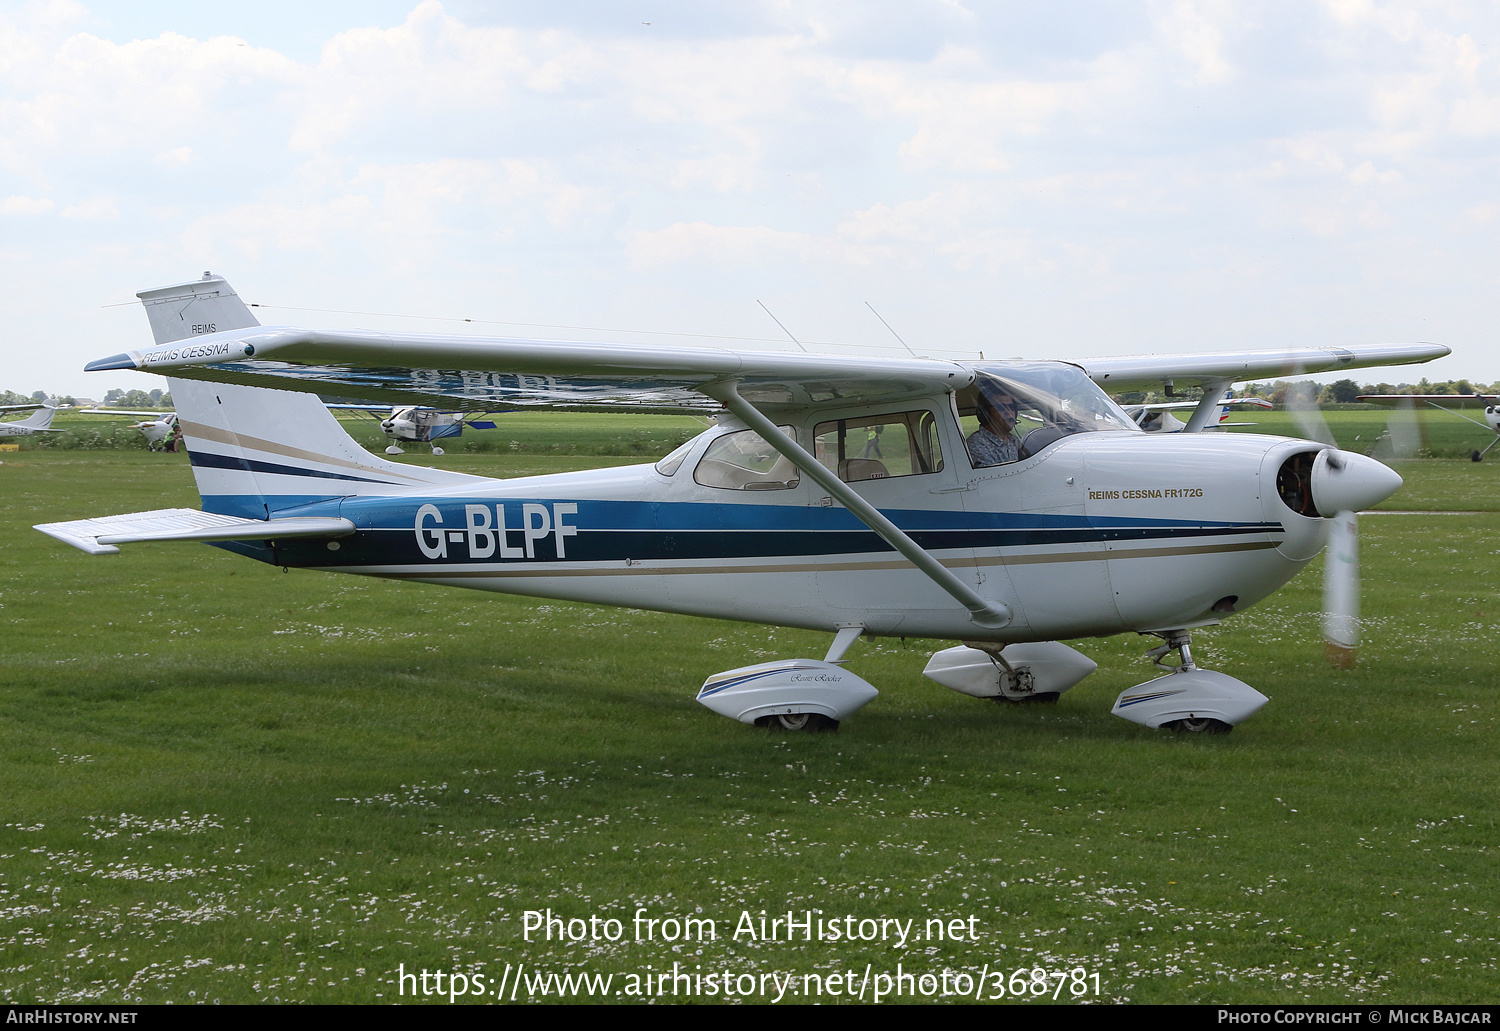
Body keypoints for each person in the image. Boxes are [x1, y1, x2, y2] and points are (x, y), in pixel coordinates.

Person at [966, 387, 1021, 467]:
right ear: (985, 413)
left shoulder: (1014, 441)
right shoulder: (976, 445)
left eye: (1011, 407)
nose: (1009, 413)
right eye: (1001, 408)